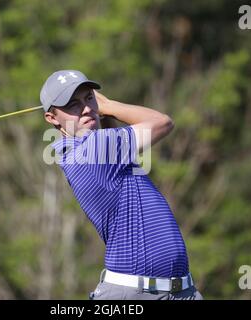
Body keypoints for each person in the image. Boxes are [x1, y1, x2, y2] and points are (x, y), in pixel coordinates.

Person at [41, 69, 203, 300]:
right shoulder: (91, 150)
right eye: (73, 105)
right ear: (52, 118)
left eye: (89, 98)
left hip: (182, 292)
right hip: (133, 295)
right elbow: (162, 122)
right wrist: (107, 105)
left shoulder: (92, 146)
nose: (87, 108)